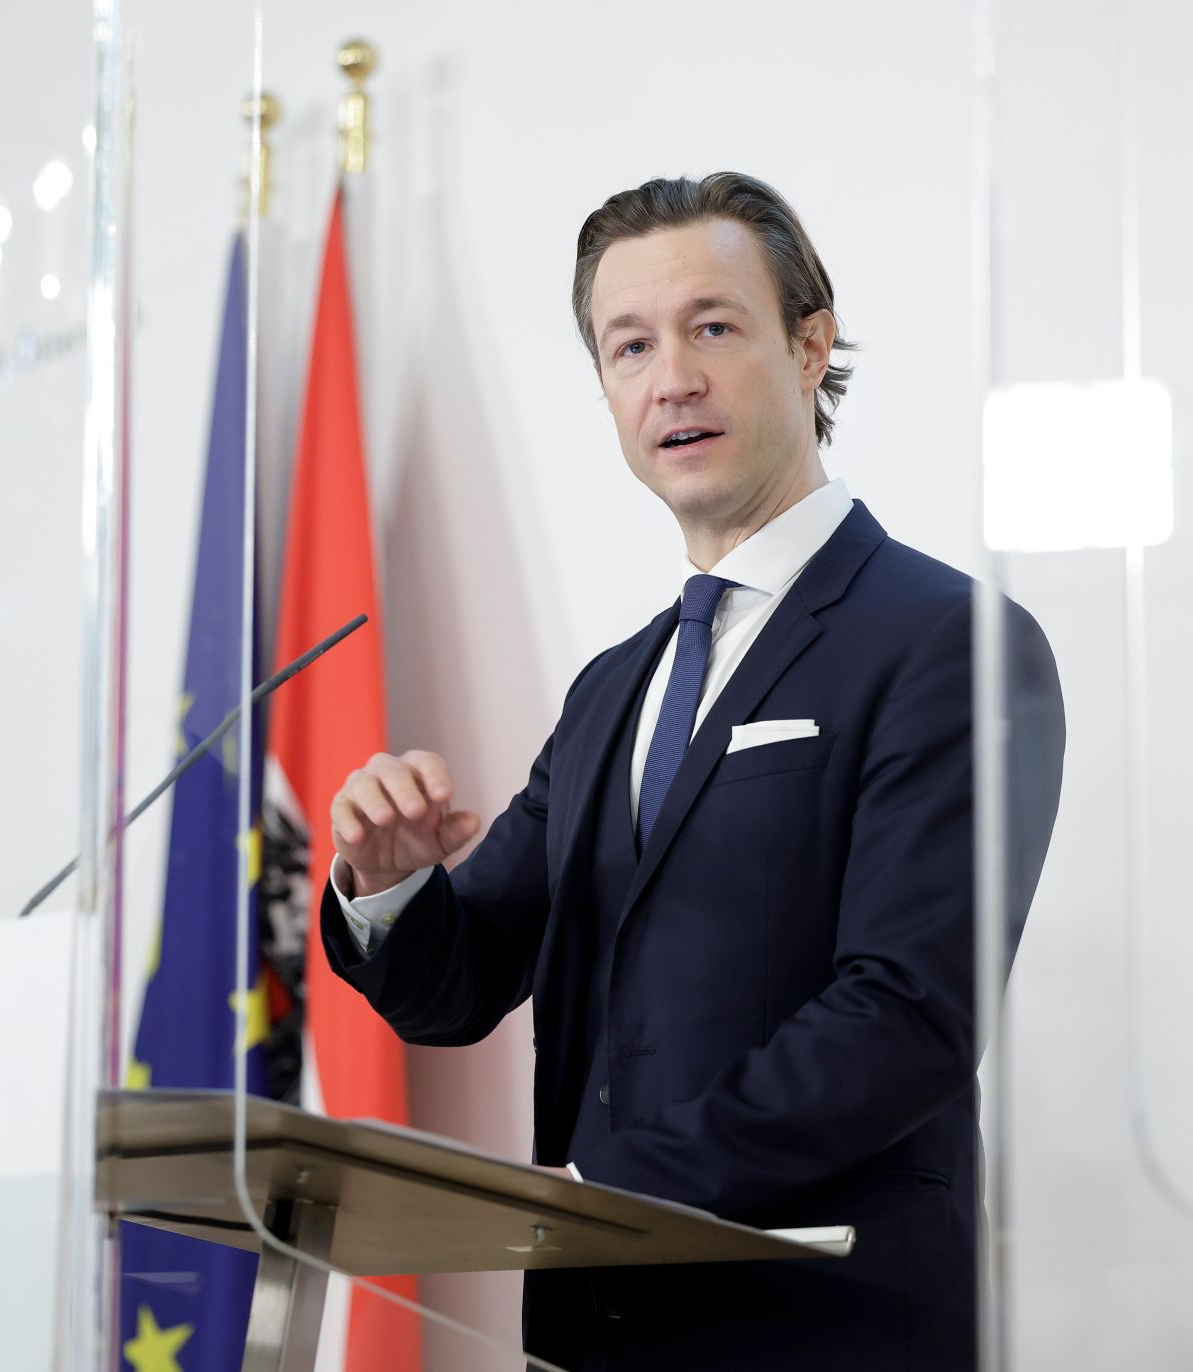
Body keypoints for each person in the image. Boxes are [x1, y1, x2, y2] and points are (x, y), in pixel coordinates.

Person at [320, 174, 1065, 1371]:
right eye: (628, 345)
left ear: (809, 343)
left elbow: (908, 1013)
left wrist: (604, 1187)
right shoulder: (614, 687)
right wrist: (391, 884)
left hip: (826, 1327)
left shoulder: (949, 644)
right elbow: (463, 983)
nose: (670, 376)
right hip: (593, 1330)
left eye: (711, 326)